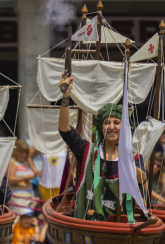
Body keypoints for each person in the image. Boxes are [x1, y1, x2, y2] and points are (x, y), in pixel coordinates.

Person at [58, 73, 148, 221]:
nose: (111, 127)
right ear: (101, 128)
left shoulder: (135, 158)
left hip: (119, 230)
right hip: (87, 229)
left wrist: (125, 159)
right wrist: (66, 96)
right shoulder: (87, 151)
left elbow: (142, 178)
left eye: (116, 122)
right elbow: (64, 130)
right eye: (107, 123)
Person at [7, 139, 39, 214]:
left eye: (26, 152)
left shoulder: (24, 163)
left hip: (28, 200)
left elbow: (29, 158)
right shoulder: (12, 162)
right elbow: (11, 180)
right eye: (22, 152)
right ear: (16, 151)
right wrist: (26, 177)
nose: (24, 155)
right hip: (18, 201)